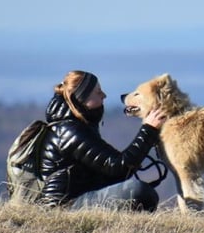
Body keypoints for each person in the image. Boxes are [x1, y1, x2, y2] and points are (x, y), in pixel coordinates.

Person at [35, 70, 167, 211]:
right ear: (82, 97)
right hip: (62, 207)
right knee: (138, 191)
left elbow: (112, 170)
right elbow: (118, 167)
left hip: (78, 198)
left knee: (141, 193)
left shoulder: (77, 126)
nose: (104, 96)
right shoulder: (70, 131)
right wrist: (148, 130)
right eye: (98, 92)